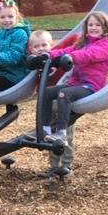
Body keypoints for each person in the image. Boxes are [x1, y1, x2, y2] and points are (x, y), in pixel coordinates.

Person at [29, 11, 108, 153]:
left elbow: (88, 55)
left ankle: (61, 133)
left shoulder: (106, 45)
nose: (93, 28)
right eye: (90, 25)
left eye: (97, 25)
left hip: (90, 86)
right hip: (76, 83)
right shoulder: (83, 42)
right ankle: (45, 130)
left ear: (105, 27)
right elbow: (66, 50)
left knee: (63, 94)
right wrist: (48, 55)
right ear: (86, 27)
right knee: (46, 92)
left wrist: (71, 57)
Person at [27, 30, 77, 178]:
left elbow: (74, 38)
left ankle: (67, 167)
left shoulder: (57, 58)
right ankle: (54, 167)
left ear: (51, 46)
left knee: (67, 136)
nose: (41, 48)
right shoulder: (35, 62)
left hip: (63, 103)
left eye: (44, 45)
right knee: (50, 136)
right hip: (47, 105)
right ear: (31, 49)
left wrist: (57, 51)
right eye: (37, 46)